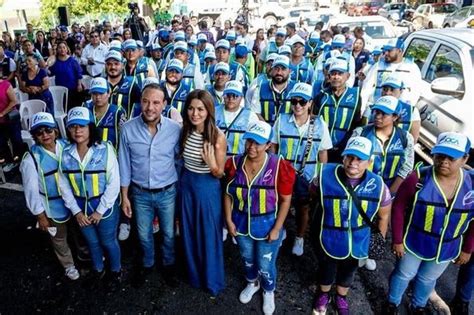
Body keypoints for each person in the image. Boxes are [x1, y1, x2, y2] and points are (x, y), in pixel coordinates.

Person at [387, 132, 474, 314]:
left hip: (447, 247)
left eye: (452, 157)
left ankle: (418, 305)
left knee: (427, 279)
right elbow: (398, 208)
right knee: (404, 274)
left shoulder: (472, 184)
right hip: (414, 241)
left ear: (465, 158)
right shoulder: (418, 178)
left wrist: (468, 249)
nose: (444, 161)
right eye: (439, 155)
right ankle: (392, 303)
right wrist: (397, 240)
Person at [311, 136, 391, 315]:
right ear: (343, 157)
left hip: (358, 240)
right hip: (329, 237)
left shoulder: (378, 185)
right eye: (349, 157)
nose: (353, 162)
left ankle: (341, 297)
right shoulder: (324, 175)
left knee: (348, 271)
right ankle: (324, 294)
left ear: (369, 161)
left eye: (360, 159)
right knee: (326, 268)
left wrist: (378, 239)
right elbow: (314, 194)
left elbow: (383, 216)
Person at [224, 120, 295, 315]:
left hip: (267, 224)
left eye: (258, 143)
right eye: (249, 141)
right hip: (240, 223)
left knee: (266, 263)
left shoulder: (280, 166)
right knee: (247, 258)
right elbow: (228, 194)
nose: (251, 147)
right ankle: (252, 283)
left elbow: (285, 201)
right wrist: (229, 221)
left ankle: (268, 290)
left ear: (268, 145)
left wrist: (276, 229)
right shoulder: (234, 163)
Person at [118, 83, 181, 287]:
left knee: (169, 234)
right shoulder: (127, 129)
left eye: (156, 102)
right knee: (143, 234)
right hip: (140, 194)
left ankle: (169, 265)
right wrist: (124, 196)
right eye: (145, 101)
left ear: (164, 104)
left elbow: (179, 160)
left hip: (167, 193)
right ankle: (147, 264)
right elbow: (124, 164)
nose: (150, 107)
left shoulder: (174, 129)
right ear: (140, 102)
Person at [60, 107, 121, 288]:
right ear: (68, 130)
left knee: (108, 242)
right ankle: (98, 269)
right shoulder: (65, 154)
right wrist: (77, 212)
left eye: (82, 126)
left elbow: (114, 183)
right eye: (73, 127)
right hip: (81, 209)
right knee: (92, 242)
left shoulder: (105, 149)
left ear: (90, 128)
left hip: (104, 207)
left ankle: (116, 270)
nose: (78, 131)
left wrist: (100, 211)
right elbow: (64, 186)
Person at [271, 83, 332, 256]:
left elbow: (323, 152)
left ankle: (299, 237)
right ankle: (280, 229)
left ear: (310, 103)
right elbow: (273, 146)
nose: (297, 105)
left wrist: (320, 177)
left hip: (307, 174)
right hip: (283, 172)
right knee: (280, 202)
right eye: (294, 101)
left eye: (302, 101)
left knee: (303, 207)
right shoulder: (281, 120)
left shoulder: (320, 124)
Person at [20, 112, 83, 281]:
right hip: (52, 208)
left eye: (48, 130)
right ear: (34, 136)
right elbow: (31, 192)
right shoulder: (31, 159)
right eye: (39, 132)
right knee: (59, 238)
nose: (45, 135)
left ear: (56, 131)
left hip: (74, 202)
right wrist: (40, 216)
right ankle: (69, 265)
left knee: (79, 231)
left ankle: (84, 256)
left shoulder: (67, 145)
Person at [179, 89, 227, 296]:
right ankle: (194, 275)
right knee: (189, 231)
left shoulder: (217, 136)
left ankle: (212, 279)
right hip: (187, 183)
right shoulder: (185, 130)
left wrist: (212, 164)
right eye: (191, 108)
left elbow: (220, 173)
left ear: (208, 110)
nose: (195, 113)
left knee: (208, 233)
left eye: (200, 109)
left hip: (207, 187)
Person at [312, 59, 362, 162]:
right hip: (322, 148)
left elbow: (356, 123)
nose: (336, 77)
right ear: (329, 76)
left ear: (347, 76)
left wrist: (346, 144)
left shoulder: (355, 96)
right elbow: (313, 121)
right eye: (333, 73)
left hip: (344, 149)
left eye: (340, 73)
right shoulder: (321, 96)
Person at [361, 37, 422, 108]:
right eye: (385, 50)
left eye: (390, 50)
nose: (386, 53)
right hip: (377, 108)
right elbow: (366, 89)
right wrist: (362, 108)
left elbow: (415, 92)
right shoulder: (378, 65)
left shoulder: (411, 67)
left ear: (399, 51)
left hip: (399, 111)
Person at [363, 74, 421, 143]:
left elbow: (413, 140)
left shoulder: (412, 111)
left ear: (401, 91)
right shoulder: (371, 108)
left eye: (392, 90)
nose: (387, 93)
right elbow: (362, 132)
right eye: (385, 89)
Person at [215, 80, 259, 156]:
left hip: (237, 161)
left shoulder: (250, 116)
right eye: (228, 95)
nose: (231, 99)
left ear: (241, 97)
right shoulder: (213, 111)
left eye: (235, 96)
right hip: (216, 158)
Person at [249, 55, 295, 125]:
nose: (279, 72)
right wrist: (269, 129)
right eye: (276, 68)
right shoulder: (260, 88)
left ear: (289, 71)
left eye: (283, 69)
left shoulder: (295, 89)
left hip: (288, 131)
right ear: (272, 70)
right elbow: (255, 113)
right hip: (265, 130)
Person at [82, 77, 126, 148]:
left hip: (111, 154)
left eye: (101, 93)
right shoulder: (86, 109)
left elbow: (124, 137)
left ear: (109, 93)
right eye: (94, 93)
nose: (98, 97)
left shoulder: (118, 112)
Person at [104, 50, 142, 120]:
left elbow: (140, 107)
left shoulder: (131, 84)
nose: (113, 67)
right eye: (109, 64)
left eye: (116, 64)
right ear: (105, 66)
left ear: (122, 65)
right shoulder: (100, 83)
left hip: (125, 128)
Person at [48, 40, 83, 109]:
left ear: (67, 49)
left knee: (73, 107)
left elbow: (79, 73)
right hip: (61, 89)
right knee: (63, 107)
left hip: (73, 89)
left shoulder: (72, 60)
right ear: (57, 50)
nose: (62, 49)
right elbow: (50, 73)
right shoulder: (55, 61)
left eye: (64, 47)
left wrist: (79, 84)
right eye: (60, 48)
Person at [0, 75, 24, 171]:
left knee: (16, 139)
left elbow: (14, 101)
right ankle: (9, 161)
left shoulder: (6, 85)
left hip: (10, 118)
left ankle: (20, 160)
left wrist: (2, 113)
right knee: (2, 141)